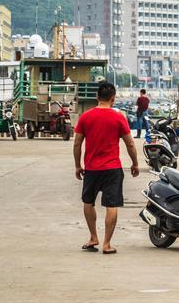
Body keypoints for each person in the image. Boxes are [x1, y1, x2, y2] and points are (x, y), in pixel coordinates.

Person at [73, 82, 139, 254]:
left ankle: (93, 237)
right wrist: (135, 163)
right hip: (112, 168)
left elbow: (77, 143)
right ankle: (107, 244)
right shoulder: (118, 117)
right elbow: (130, 144)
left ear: (97, 97)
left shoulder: (86, 117)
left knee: (88, 202)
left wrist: (77, 165)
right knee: (112, 204)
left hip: (92, 169)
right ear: (113, 99)